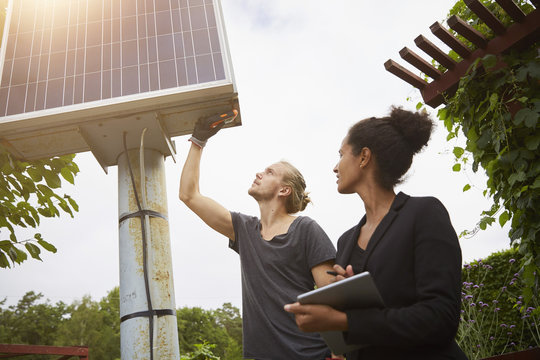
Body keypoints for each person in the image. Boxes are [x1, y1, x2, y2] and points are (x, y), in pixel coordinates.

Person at [285, 107, 468, 359]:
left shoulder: (424, 213)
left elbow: (440, 319)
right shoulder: (346, 241)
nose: (335, 167)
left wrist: (344, 320)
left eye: (341, 154)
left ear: (364, 157)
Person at [179, 114, 337, 360]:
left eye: (269, 172)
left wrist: (339, 348)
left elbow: (333, 297)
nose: (259, 173)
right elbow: (189, 196)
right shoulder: (244, 230)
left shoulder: (307, 230)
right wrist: (198, 140)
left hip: (310, 354)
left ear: (284, 190)